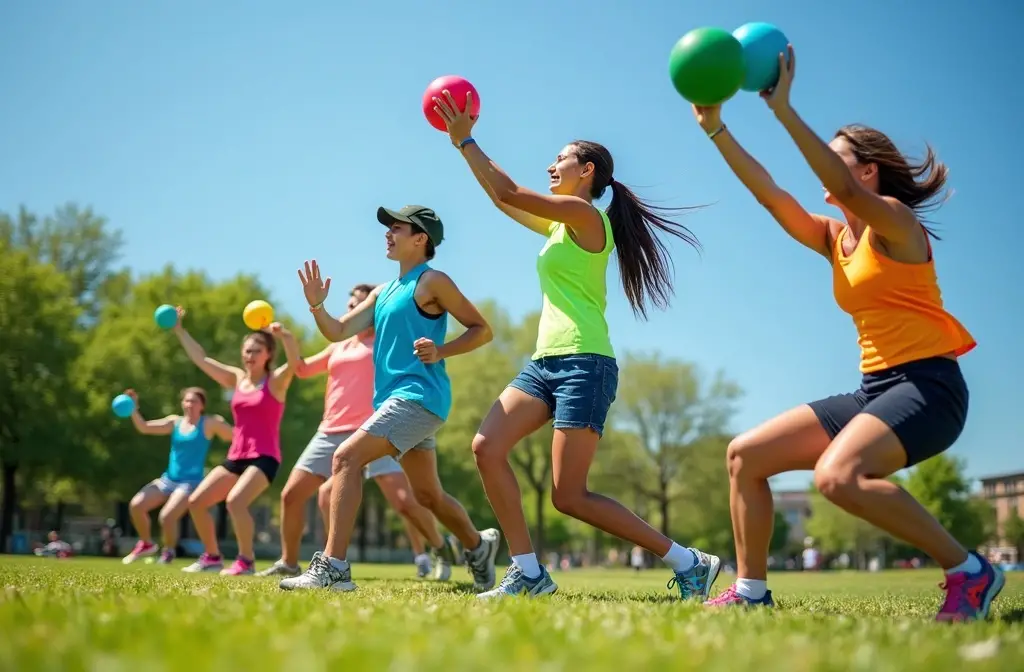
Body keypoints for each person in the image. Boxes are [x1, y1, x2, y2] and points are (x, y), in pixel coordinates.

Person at [695, 46, 1003, 621]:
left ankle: (970, 572)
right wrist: (717, 130)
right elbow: (771, 196)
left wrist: (783, 110)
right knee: (745, 457)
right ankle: (750, 591)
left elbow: (851, 191)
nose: (822, 174)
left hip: (930, 388)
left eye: (836, 161)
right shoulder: (836, 238)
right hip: (873, 389)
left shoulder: (895, 222)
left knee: (838, 477)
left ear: (865, 170)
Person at [430, 91, 720, 601]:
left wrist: (466, 140)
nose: (550, 164)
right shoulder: (561, 226)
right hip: (545, 363)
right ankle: (528, 573)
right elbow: (503, 198)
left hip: (586, 361)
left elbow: (512, 191)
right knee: (486, 446)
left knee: (569, 496)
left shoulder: (587, 219)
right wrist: (464, 149)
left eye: (560, 158)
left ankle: (688, 561)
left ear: (585, 170)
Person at [280, 204, 501, 593]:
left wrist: (442, 350)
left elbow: (482, 330)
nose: (387, 233)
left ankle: (333, 568)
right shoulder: (383, 292)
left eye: (397, 228)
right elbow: (337, 331)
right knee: (427, 495)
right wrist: (317, 305)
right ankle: (477, 545)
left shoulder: (433, 281)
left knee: (345, 457)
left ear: (421, 239)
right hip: (396, 402)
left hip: (418, 396)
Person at [258, 282, 460, 581]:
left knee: (406, 502)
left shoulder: (384, 341)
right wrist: (287, 338)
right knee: (292, 495)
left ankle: (441, 546)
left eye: (359, 305)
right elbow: (301, 369)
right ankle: (298, 562)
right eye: (351, 304)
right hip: (330, 429)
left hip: (373, 428)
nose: (352, 309)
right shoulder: (338, 346)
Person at [169, 306, 299, 576]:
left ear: (268, 355)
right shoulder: (237, 379)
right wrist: (179, 329)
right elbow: (202, 359)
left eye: (256, 350)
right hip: (237, 455)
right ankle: (213, 557)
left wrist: (284, 335)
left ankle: (246, 561)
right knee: (196, 502)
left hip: (265, 457)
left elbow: (295, 364)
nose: (249, 355)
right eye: (247, 350)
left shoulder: (275, 383)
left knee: (235, 502)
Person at [120, 386, 233, 565]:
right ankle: (146, 544)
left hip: (190, 483)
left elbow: (234, 436)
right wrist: (134, 409)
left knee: (167, 517)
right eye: (186, 400)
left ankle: (169, 552)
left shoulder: (209, 423)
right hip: (169, 479)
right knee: (136, 505)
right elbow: (144, 427)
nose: (189, 404)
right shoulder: (175, 422)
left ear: (202, 405)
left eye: (194, 401)